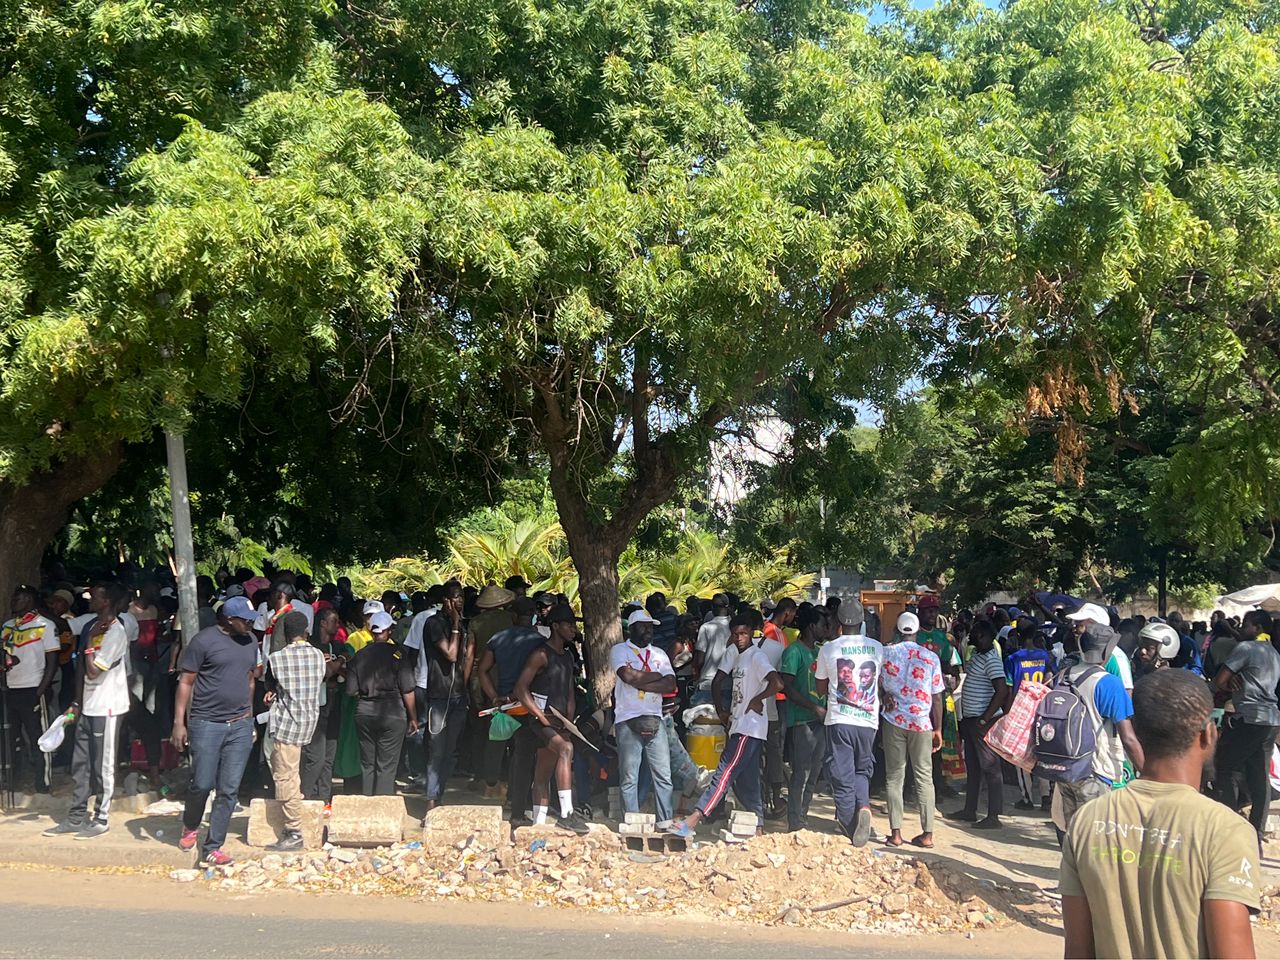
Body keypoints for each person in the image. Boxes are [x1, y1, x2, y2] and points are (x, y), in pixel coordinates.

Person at [1060, 670, 1258, 959]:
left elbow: (1077, 951)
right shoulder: (1224, 830)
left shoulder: (1086, 821)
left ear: (1136, 733)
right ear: (1207, 735)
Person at [668, 615, 781, 838]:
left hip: (750, 726)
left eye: (744, 634)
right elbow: (718, 680)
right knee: (747, 781)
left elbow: (777, 682)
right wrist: (721, 710)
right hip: (739, 724)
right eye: (736, 634)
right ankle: (757, 825)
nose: (740, 638)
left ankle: (694, 818)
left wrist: (758, 699)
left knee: (724, 773)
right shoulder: (737, 655)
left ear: (752, 633)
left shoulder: (756, 657)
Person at [171, 596, 260, 865]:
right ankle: (191, 825)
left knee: (229, 789)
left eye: (251, 620)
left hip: (240, 724)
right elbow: (186, 682)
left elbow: (250, 679)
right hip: (207, 723)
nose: (249, 624)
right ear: (228, 619)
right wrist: (179, 723)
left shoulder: (251, 642)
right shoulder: (204, 641)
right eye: (245, 620)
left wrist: (250, 716)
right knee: (202, 783)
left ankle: (213, 846)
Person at [44, 582, 131, 838]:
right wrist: (76, 701)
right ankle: (76, 816)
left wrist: (91, 642)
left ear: (105, 601)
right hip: (88, 705)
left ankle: (101, 817)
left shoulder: (115, 632)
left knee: (102, 765)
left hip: (108, 706)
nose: (88, 599)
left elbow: (94, 671)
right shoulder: (91, 625)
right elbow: (82, 669)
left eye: (93, 596)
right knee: (80, 764)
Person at [1050, 618, 1145, 837]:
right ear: (1107, 653)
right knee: (1096, 839)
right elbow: (1128, 737)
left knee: (1072, 834)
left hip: (1065, 767)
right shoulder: (1109, 683)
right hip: (1095, 770)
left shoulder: (1063, 676)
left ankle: (1072, 870)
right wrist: (1147, 772)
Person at [513, 604, 590, 834]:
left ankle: (538, 823)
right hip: (541, 719)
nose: (573, 629)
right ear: (555, 626)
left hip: (559, 720)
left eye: (574, 625)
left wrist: (569, 719)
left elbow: (568, 691)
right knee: (565, 749)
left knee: (543, 771)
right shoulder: (541, 654)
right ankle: (567, 814)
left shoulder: (566, 656)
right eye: (568, 624)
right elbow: (520, 689)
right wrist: (540, 716)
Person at [815, 603, 884, 845]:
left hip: (839, 720)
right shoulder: (877, 648)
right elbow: (881, 681)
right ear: (862, 621)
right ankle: (863, 806)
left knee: (841, 772)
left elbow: (821, 686)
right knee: (862, 770)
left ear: (839, 623)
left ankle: (849, 823)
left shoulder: (828, 648)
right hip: (868, 721)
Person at [1210, 608, 1280, 843]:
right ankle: (1256, 832)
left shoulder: (1246, 648)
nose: (1241, 628)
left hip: (1248, 717)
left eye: (1246, 624)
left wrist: (1229, 683)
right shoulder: (1273, 653)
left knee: (1225, 767)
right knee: (1260, 776)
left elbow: (1218, 681)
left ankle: (1230, 826)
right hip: (1270, 720)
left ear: (1258, 628)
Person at [880, 611, 944, 848]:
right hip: (921, 722)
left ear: (897, 629)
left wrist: (884, 694)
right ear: (916, 631)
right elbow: (937, 697)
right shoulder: (930, 658)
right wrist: (937, 728)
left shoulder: (886, 653)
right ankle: (927, 834)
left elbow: (875, 681)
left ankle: (896, 834)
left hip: (894, 719)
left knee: (894, 777)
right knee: (924, 777)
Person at [264, 611, 326, 850]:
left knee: (286, 776)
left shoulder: (277, 659)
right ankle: (297, 815)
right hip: (310, 720)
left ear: (285, 633)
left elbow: (271, 684)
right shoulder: (319, 656)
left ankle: (293, 830)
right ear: (306, 631)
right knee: (299, 772)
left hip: (286, 723)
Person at [611, 608, 677, 827]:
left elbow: (671, 684)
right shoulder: (619, 650)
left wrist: (641, 681)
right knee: (629, 776)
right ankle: (632, 822)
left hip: (654, 717)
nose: (649, 630)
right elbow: (626, 676)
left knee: (663, 775)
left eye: (651, 626)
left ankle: (665, 822)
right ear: (632, 628)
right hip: (628, 718)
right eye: (644, 625)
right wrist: (656, 677)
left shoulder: (659, 653)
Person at [407, 581, 469, 810]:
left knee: (451, 752)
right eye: (456, 597)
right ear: (445, 600)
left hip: (458, 696)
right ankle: (431, 800)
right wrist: (454, 624)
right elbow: (451, 654)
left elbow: (465, 659)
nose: (460, 601)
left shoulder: (463, 625)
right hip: (439, 695)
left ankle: (440, 795)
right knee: (437, 749)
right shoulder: (433, 623)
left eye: (462, 597)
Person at [478, 597, 544, 801]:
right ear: (533, 615)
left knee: (496, 748)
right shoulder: (540, 641)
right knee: (523, 755)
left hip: (504, 704)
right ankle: (517, 798)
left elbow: (482, 671)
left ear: (513, 616)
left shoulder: (498, 638)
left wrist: (494, 697)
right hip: (529, 705)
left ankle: (491, 786)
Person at [346, 611, 417, 796]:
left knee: (368, 764)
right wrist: (413, 718)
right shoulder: (399, 654)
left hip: (364, 714)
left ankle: (367, 806)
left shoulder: (360, 655)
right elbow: (407, 690)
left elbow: (350, 690)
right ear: (389, 631)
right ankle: (382, 810)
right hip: (393, 715)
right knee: (386, 766)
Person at [949, 618, 1008, 829]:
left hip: (984, 721)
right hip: (972, 719)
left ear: (983, 636)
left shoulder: (992, 659)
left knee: (991, 767)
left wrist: (985, 718)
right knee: (973, 767)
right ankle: (969, 810)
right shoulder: (978, 655)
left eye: (974, 633)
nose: (970, 636)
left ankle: (993, 816)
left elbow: (1002, 691)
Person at [1, 584, 60, 793]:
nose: (13, 601)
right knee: (8, 737)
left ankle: (43, 784)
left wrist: (40, 691)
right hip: (9, 689)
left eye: (19, 598)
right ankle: (10, 781)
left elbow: (52, 662)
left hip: (32, 688)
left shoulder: (45, 625)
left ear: (29, 600)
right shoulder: (8, 626)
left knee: (39, 738)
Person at [779, 605, 827, 831]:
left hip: (820, 720)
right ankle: (794, 821)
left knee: (814, 773)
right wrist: (812, 707)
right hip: (801, 721)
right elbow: (785, 687)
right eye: (822, 625)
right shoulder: (794, 652)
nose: (825, 629)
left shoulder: (819, 652)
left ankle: (803, 817)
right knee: (801, 773)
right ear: (811, 627)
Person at [1005, 622, 1053, 810]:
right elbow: (1050, 680)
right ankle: (1046, 795)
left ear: (1019, 637)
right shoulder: (1045, 657)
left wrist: (1008, 713)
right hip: (1042, 708)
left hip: (1020, 709)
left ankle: (1027, 799)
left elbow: (1009, 688)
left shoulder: (1013, 659)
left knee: (1021, 755)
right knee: (1042, 753)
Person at [300, 607, 344, 803]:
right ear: (323, 623)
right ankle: (307, 796)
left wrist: (338, 663)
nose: (338, 625)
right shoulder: (311, 646)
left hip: (333, 704)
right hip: (315, 707)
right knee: (314, 756)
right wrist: (337, 664)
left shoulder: (338, 646)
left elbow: (345, 673)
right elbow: (326, 673)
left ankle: (324, 798)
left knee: (329, 757)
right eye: (334, 621)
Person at [693, 594, 732, 706]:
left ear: (712, 607)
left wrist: (696, 672)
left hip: (708, 681)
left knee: (703, 720)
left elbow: (700, 659)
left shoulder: (706, 627)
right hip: (728, 682)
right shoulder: (735, 626)